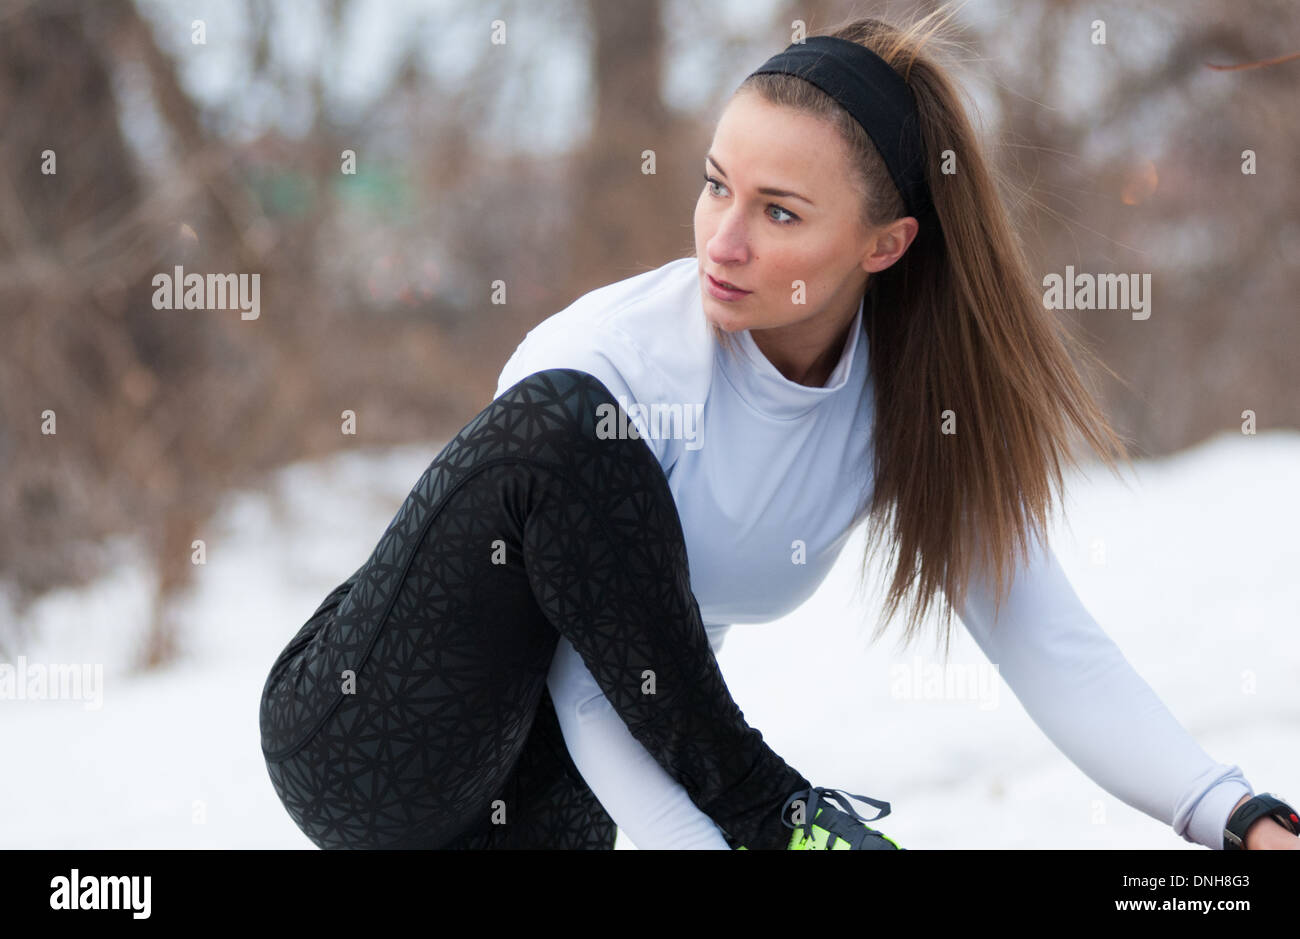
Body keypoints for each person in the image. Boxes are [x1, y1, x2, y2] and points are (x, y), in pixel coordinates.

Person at [260, 10, 1298, 851]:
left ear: (885, 243)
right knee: (562, 428)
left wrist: (1231, 814)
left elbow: (1046, 639)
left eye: (780, 212)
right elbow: (585, 675)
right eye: (717, 186)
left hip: (551, 802)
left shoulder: (905, 400)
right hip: (369, 743)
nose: (723, 238)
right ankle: (779, 818)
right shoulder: (614, 357)